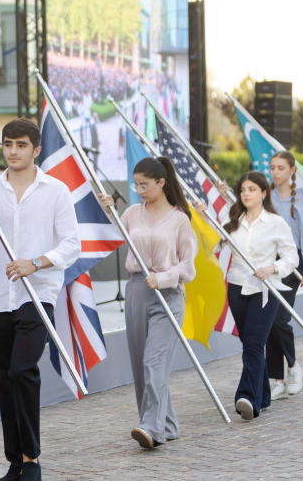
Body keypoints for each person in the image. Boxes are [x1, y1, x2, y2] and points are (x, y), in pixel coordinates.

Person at [0, 118, 80, 481]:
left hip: (38, 294)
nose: (13, 151)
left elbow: (71, 245)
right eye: (7, 144)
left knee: (22, 370)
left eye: (20, 145)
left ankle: (32, 459)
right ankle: (15, 461)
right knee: (4, 379)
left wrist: (36, 263)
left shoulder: (56, 190)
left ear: (36, 150)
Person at [97, 157, 197, 450]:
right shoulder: (131, 213)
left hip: (168, 295)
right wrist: (108, 212)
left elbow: (188, 268)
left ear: (161, 183)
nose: (139, 190)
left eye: (144, 184)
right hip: (137, 290)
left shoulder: (179, 218)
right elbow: (116, 235)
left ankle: (150, 428)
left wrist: (163, 278)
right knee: (141, 363)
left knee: (155, 361)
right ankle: (166, 423)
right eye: (136, 184)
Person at [219, 171, 298, 420]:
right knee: (250, 344)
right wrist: (202, 218)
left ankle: (247, 398)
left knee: (254, 343)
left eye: (252, 189)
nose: (246, 194)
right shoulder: (231, 218)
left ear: (264, 192)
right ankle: (263, 395)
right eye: (242, 190)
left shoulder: (276, 222)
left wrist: (274, 267)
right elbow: (214, 243)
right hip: (236, 286)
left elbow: (291, 257)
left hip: (266, 289)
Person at [266, 151, 303, 399]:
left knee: (279, 320)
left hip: (290, 262)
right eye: (272, 167)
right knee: (268, 321)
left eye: (280, 168)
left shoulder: (302, 197)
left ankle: (294, 367)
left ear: (292, 170)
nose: (275, 172)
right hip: (267, 263)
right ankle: (276, 380)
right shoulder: (267, 194)